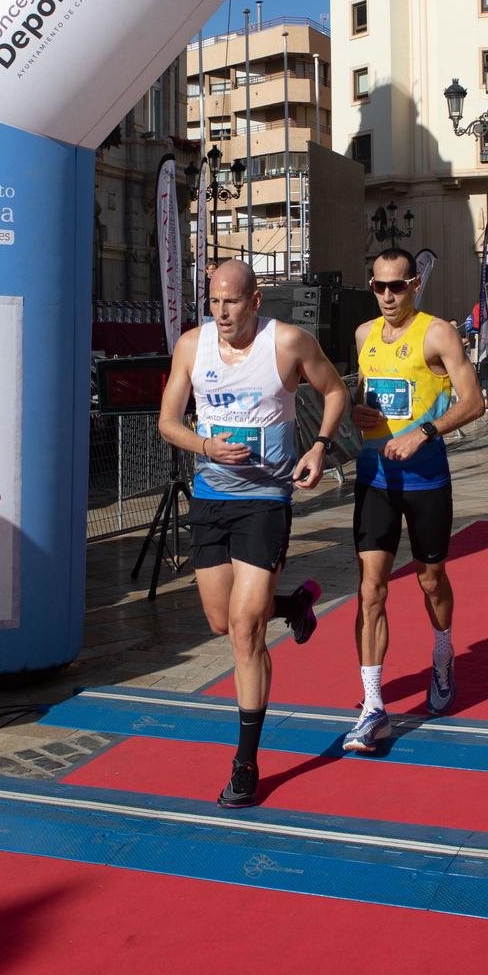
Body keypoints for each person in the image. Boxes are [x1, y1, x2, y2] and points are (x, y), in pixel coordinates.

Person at [156, 260, 347, 809]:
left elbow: (333, 392)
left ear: (255, 300)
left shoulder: (287, 343)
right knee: (222, 620)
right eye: (213, 301)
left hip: (266, 500)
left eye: (232, 302)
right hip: (212, 498)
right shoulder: (193, 347)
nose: (221, 312)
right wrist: (204, 446)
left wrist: (319, 445)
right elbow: (168, 421)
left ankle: (245, 763)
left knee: (245, 631)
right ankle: (296, 603)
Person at [343, 248, 485, 755]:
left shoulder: (438, 332)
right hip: (375, 477)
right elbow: (371, 398)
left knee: (430, 578)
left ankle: (443, 654)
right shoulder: (362, 335)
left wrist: (424, 432)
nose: (386, 296)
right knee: (371, 589)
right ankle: (372, 707)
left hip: (426, 481)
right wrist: (362, 415)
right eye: (378, 286)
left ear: (414, 285)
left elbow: (474, 401)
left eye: (396, 286)